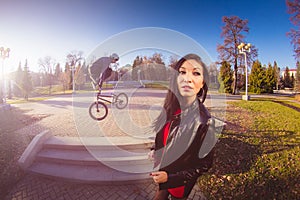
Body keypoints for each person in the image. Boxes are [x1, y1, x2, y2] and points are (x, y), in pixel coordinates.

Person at [149, 53, 216, 200]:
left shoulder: (205, 122)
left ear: (203, 82)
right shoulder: (171, 106)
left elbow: (204, 165)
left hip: (179, 183)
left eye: (196, 73)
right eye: (182, 72)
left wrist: (170, 178)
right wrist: (155, 149)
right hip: (163, 173)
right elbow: (165, 135)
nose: (187, 78)